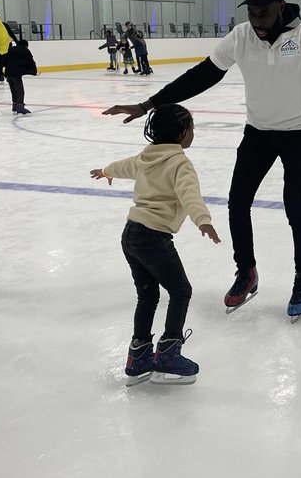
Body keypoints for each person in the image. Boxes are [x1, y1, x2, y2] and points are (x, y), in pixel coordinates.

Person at [101, 0, 301, 321]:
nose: (257, 20)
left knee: (295, 206)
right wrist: (148, 103)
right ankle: (246, 271)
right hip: (258, 132)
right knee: (238, 203)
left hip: (299, 132)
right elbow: (203, 74)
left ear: (281, 6)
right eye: (251, 12)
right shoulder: (240, 36)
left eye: (264, 13)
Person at [90, 104, 220, 386]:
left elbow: (126, 165)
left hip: (131, 234)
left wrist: (106, 170)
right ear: (184, 133)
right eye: (192, 128)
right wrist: (203, 220)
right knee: (181, 290)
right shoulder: (180, 162)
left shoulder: (147, 156)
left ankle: (138, 357)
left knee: (148, 295)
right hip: (153, 237)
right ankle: (169, 353)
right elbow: (190, 195)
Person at [3, 38, 38, 114]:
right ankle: (20, 106)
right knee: (20, 91)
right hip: (16, 74)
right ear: (26, 46)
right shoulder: (25, 51)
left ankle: (15, 105)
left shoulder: (11, 50)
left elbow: (4, 60)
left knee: (13, 90)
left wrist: (0, 70)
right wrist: (34, 71)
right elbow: (31, 62)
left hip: (8, 73)